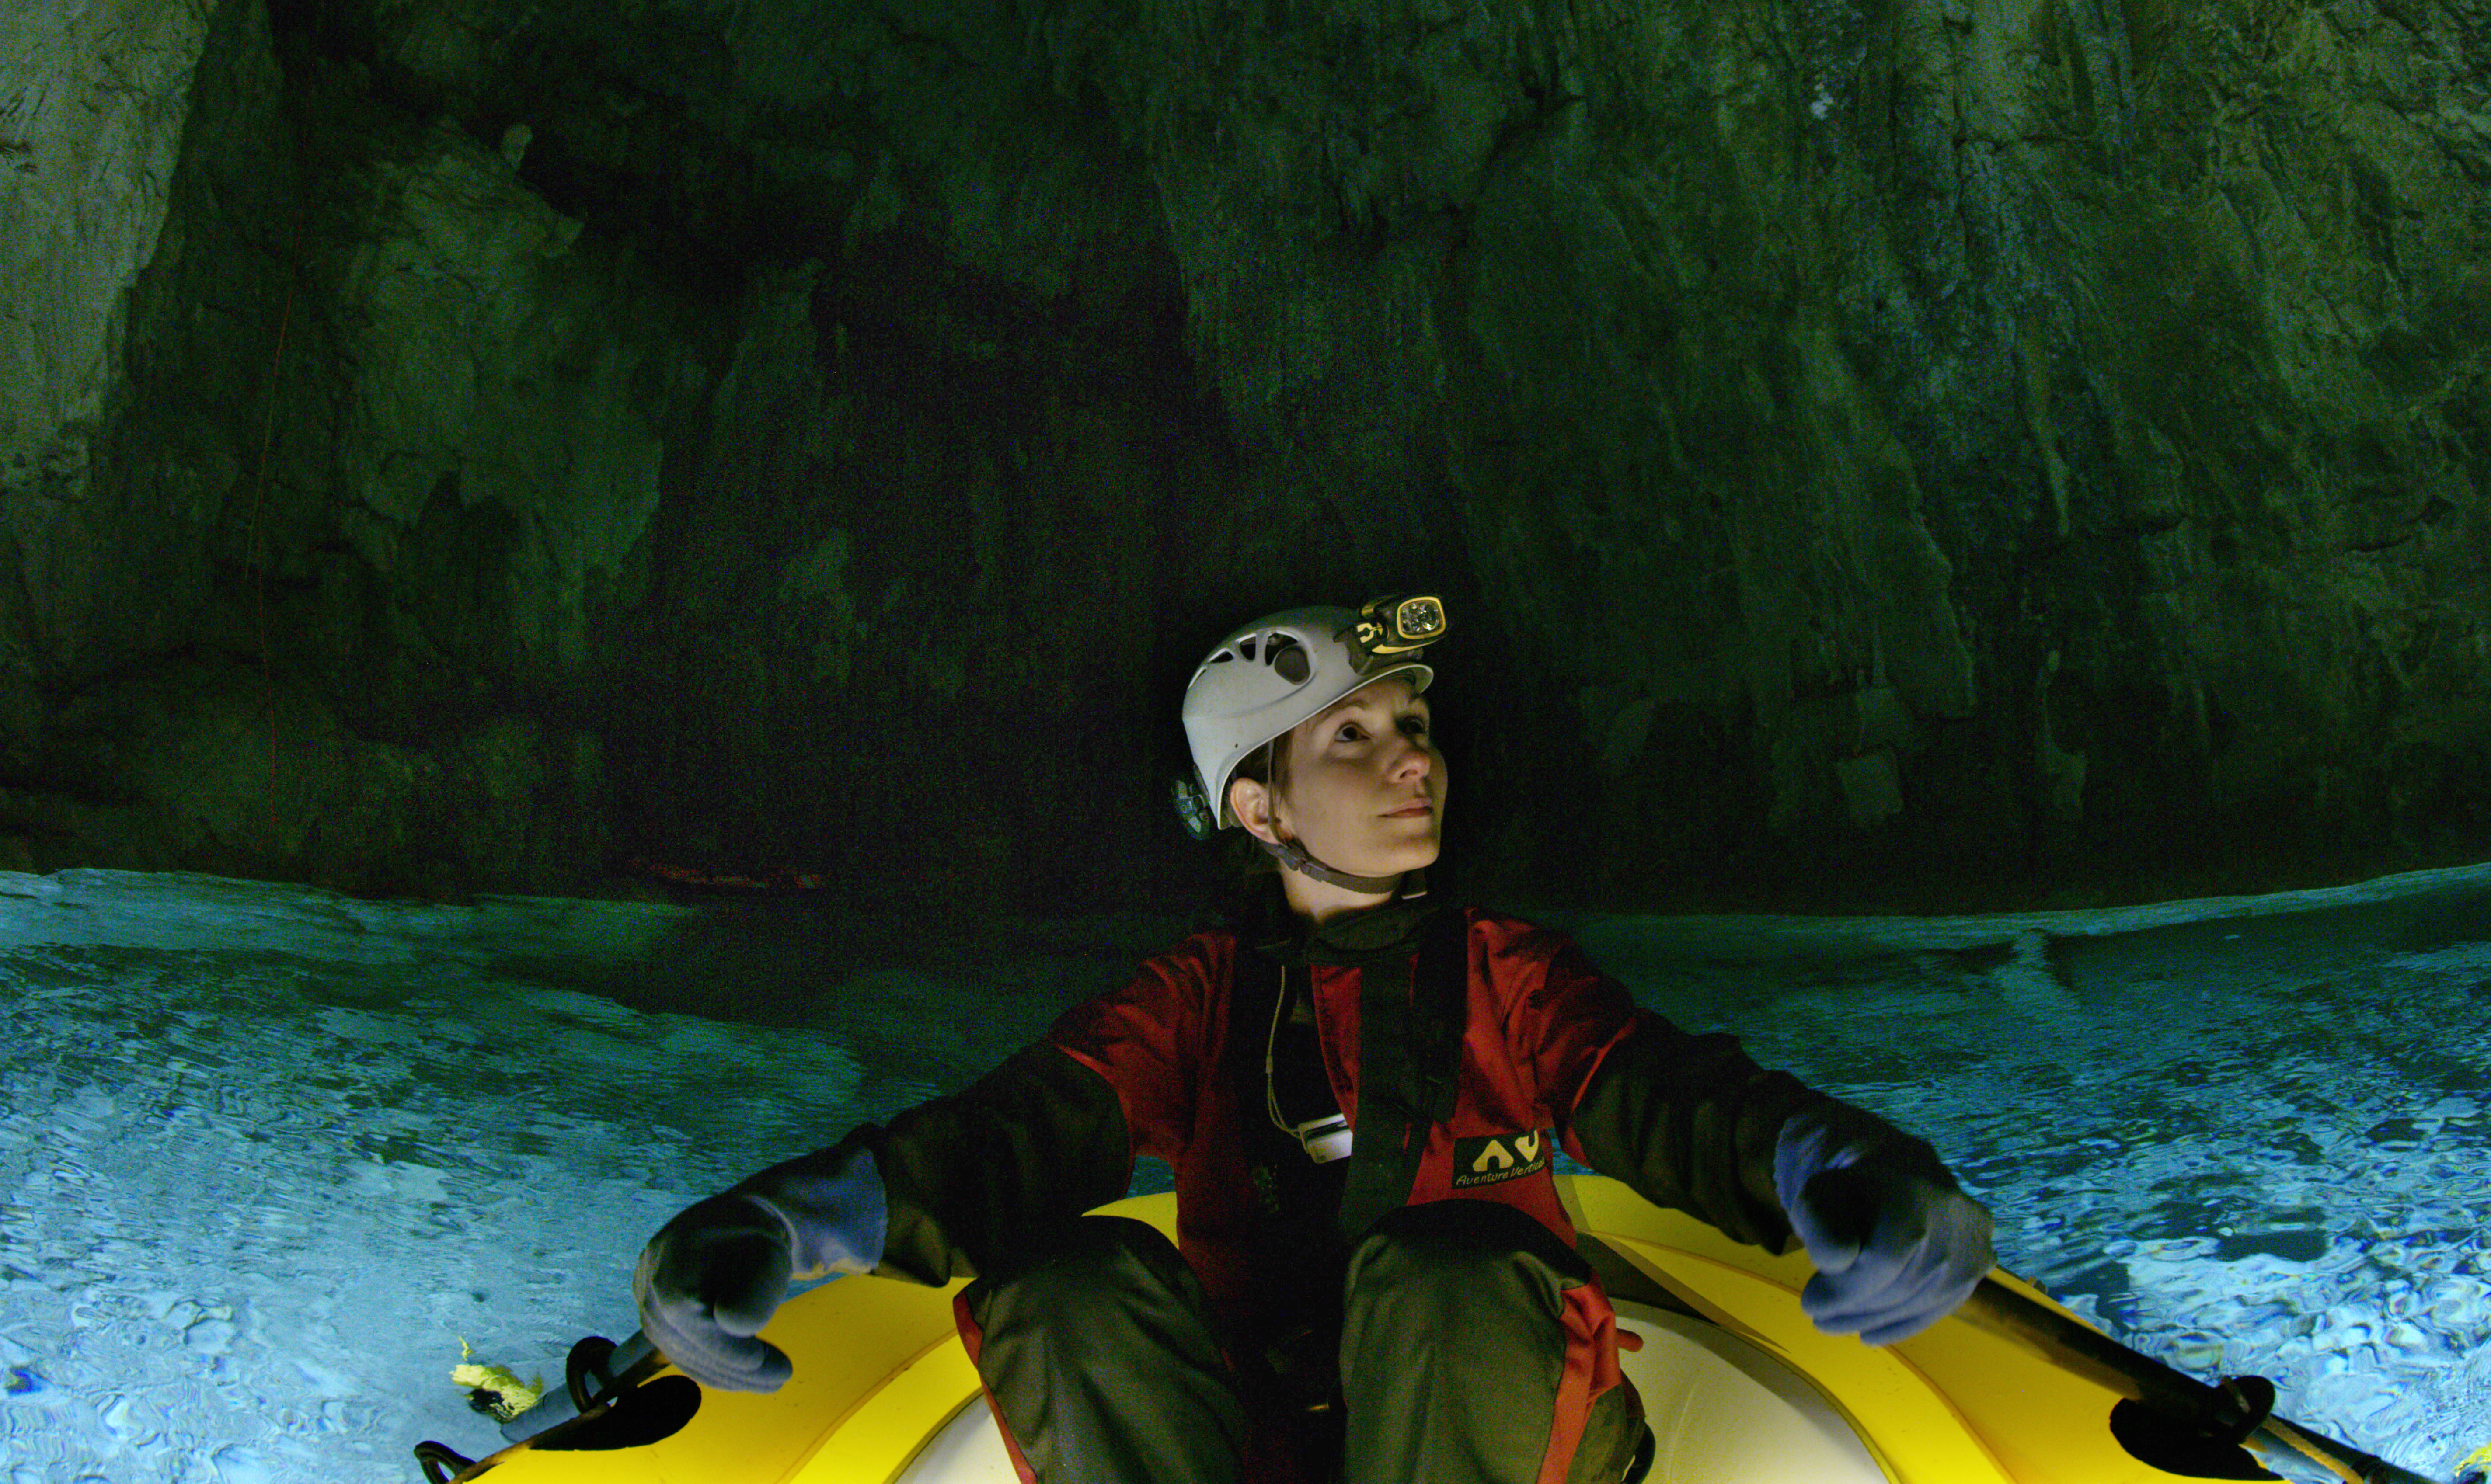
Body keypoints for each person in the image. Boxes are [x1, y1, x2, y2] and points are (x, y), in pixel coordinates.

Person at [631, 595, 1995, 1484]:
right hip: (1256, 1441)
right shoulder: (1200, 996)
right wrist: (784, 1223)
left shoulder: (1503, 973)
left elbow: (1652, 1088)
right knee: (1069, 1277)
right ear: (1261, 810)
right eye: (1351, 737)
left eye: (1410, 726)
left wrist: (1839, 1164)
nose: (1414, 759)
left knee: (1445, 1268)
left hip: (1503, 1432)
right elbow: (1019, 1130)